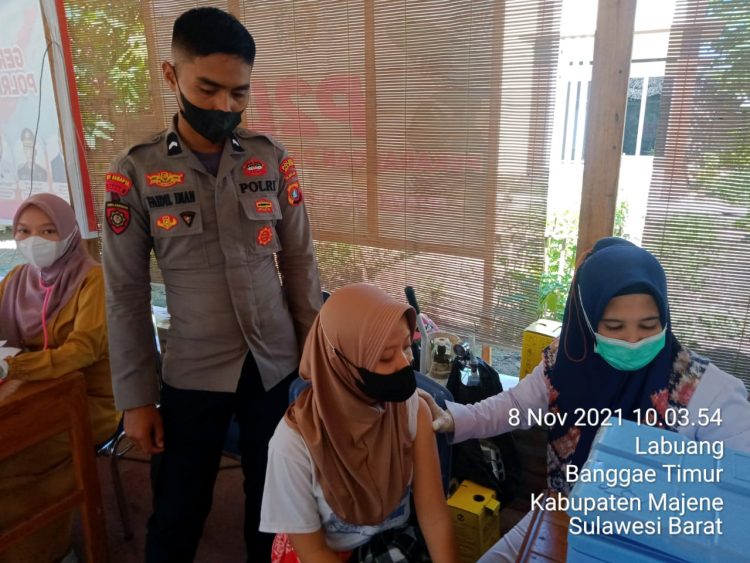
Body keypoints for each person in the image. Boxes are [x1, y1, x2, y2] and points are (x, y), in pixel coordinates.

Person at [101, 7, 322, 563]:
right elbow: (125, 292)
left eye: (238, 93)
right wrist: (136, 397)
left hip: (275, 363)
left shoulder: (271, 160)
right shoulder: (135, 172)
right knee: (177, 510)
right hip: (193, 369)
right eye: (208, 88)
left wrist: (316, 364)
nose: (224, 106)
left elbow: (300, 264)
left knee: (277, 509)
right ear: (171, 75)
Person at [420, 237, 750, 562]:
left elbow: (740, 496)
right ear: (589, 321)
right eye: (615, 326)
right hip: (565, 518)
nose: (633, 340)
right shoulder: (567, 363)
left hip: (656, 545)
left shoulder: (710, 393)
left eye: (649, 325)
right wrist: (453, 419)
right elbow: (515, 408)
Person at [260, 283, 458, 563]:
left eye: (406, 347)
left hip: (388, 540)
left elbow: (434, 515)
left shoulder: (412, 411)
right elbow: (313, 552)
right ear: (342, 364)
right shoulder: (292, 447)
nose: (404, 364)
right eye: (385, 357)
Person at [0, 193, 118, 563]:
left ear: (68, 234)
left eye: (48, 231)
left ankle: (48, 551)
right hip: (29, 394)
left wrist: (14, 367)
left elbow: (83, 350)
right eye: (24, 231)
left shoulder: (93, 280)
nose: (34, 240)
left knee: (15, 463)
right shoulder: (16, 280)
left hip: (89, 401)